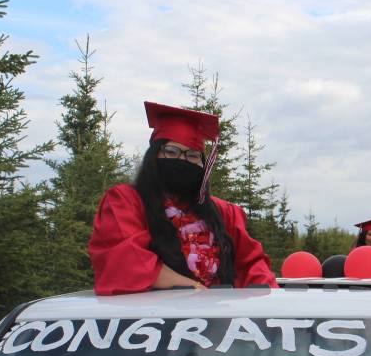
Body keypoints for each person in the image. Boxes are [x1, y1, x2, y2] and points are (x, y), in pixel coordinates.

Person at [90, 102, 277, 294]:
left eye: (193, 155)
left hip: (218, 317)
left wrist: (271, 301)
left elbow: (252, 263)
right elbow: (125, 258)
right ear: (154, 155)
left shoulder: (223, 212)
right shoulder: (125, 201)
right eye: (171, 152)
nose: (182, 160)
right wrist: (193, 288)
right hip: (151, 318)